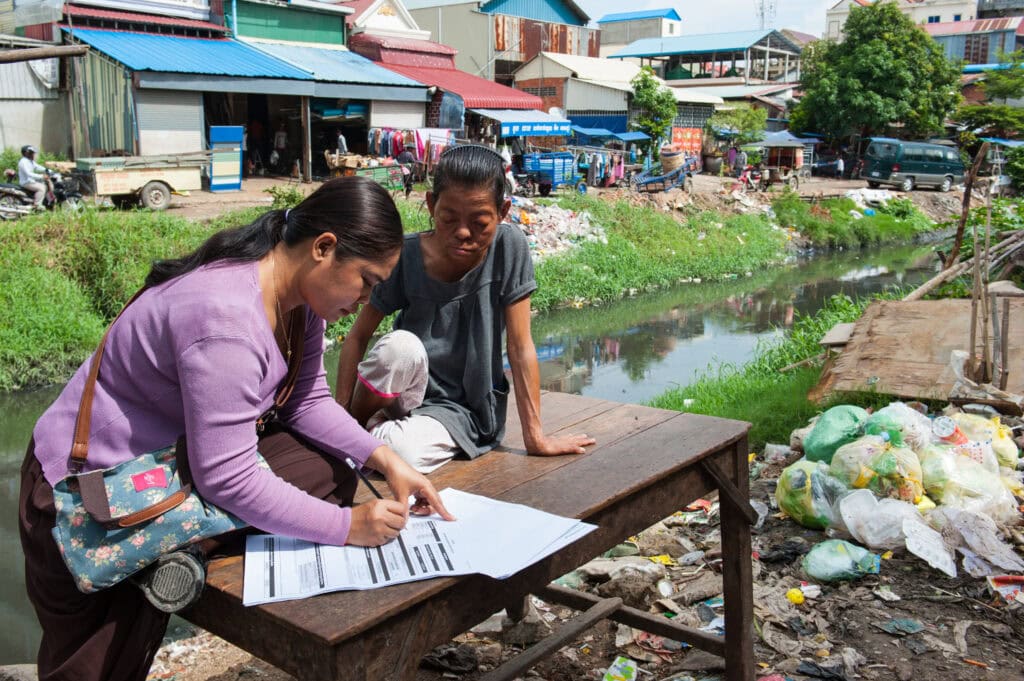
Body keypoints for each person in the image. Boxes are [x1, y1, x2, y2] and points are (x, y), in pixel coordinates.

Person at [19, 176, 452, 681]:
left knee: (327, 466)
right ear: (324, 248)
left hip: (166, 467)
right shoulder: (225, 317)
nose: (366, 299)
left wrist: (387, 460)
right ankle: (174, 550)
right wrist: (347, 528)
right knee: (95, 668)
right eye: (367, 280)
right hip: (87, 493)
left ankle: (185, 546)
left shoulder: (297, 302)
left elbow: (307, 401)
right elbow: (227, 476)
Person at [336, 145, 595, 474]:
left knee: (404, 454)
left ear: (502, 212)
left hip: (463, 412)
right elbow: (357, 337)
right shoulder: (406, 255)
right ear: (431, 205)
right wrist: (339, 418)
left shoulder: (509, 247)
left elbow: (520, 345)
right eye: (448, 219)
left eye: (479, 223)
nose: (462, 232)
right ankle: (352, 433)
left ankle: (371, 440)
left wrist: (536, 439)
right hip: (403, 396)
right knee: (400, 346)